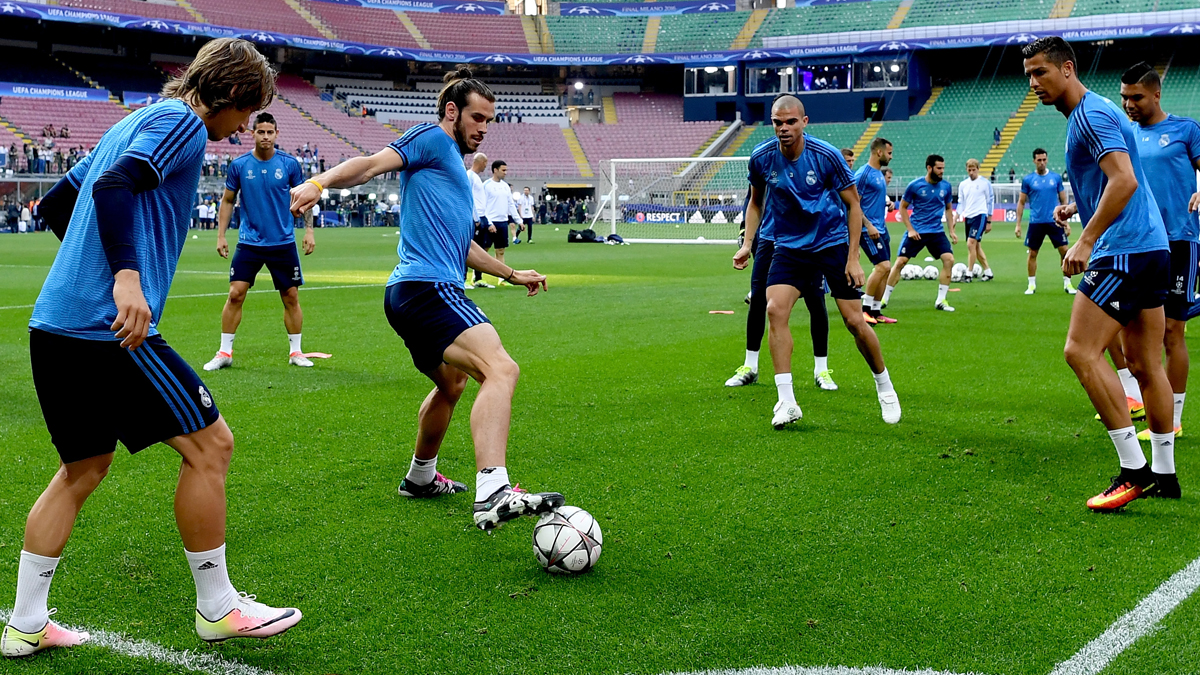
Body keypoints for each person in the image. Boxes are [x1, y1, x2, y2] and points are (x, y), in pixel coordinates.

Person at [1, 38, 300, 659]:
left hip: (54, 328)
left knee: (82, 469)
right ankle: (219, 609)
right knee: (212, 445)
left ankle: (25, 623)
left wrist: (89, 266)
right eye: (249, 111)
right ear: (234, 94)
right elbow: (114, 187)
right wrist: (123, 277)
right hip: (106, 331)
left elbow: (60, 201)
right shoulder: (182, 124)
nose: (245, 127)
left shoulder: (133, 120)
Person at [288, 67, 563, 530]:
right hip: (428, 288)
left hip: (408, 293)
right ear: (452, 111)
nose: (483, 128)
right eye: (477, 117)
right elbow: (371, 164)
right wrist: (320, 183)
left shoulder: (452, 164)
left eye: (490, 121)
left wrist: (512, 273)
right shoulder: (431, 139)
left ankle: (419, 477)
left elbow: (465, 245)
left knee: (452, 384)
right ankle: (493, 489)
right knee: (501, 369)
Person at [1022, 37, 1176, 510]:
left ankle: (1134, 469)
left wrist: (1087, 239)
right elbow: (1117, 179)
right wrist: (1079, 208)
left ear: (1067, 69)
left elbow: (1124, 179)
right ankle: (1166, 474)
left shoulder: (1090, 114)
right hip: (1150, 246)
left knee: (1080, 351)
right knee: (1146, 363)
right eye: (1028, 75)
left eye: (1041, 72)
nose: (1034, 83)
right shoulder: (1094, 112)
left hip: (1122, 251)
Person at [732, 94, 900, 428]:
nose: (784, 128)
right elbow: (755, 203)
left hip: (830, 243)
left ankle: (885, 386)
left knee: (854, 321)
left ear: (804, 122)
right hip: (789, 246)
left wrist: (853, 258)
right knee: (774, 310)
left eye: (791, 122)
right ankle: (786, 401)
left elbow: (854, 205)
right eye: (778, 122)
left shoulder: (826, 156)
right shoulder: (761, 157)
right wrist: (747, 243)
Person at [1120, 60, 1200, 440]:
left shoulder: (1186, 130)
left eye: (1136, 96)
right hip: (1140, 242)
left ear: (1156, 94)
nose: (1129, 104)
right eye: (1124, 97)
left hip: (1181, 238)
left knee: (1172, 331)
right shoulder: (1125, 135)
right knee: (1130, 328)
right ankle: (1140, 402)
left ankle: (1174, 420)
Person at [203, 112, 315, 371]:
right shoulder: (239, 165)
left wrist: (309, 231)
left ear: (277, 134)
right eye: (261, 131)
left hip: (283, 242)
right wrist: (221, 235)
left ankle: (296, 351)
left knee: (290, 296)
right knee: (235, 294)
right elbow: (228, 200)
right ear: (252, 133)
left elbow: (304, 198)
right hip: (249, 242)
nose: (265, 136)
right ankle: (224, 352)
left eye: (270, 132)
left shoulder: (289, 164)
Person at [881, 155, 958, 312]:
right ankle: (884, 298)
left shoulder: (946, 186)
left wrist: (951, 230)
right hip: (917, 231)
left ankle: (941, 300)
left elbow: (949, 208)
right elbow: (902, 207)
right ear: (929, 168)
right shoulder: (915, 186)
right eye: (939, 168)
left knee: (949, 260)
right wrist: (910, 229)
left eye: (943, 168)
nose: (942, 171)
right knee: (900, 262)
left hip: (936, 231)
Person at [1015, 148, 1075, 295]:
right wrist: (1018, 224)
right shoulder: (1028, 180)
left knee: (1065, 251)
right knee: (1033, 253)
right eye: (1039, 160)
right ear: (1034, 161)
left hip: (1055, 221)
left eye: (1044, 159)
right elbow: (1021, 202)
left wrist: (1066, 221)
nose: (1042, 162)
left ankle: (1068, 283)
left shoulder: (1055, 178)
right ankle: (1031, 284)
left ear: (1047, 160)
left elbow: (1063, 200)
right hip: (1036, 222)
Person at [856, 137, 897, 324]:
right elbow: (853, 204)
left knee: (886, 271)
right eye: (889, 153)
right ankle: (864, 309)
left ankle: (875, 311)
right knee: (883, 266)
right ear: (879, 152)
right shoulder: (863, 175)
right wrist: (868, 225)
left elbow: (873, 200)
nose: (891, 157)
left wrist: (887, 204)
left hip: (881, 228)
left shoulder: (879, 174)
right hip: (868, 230)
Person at [483, 159, 520, 285]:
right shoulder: (486, 186)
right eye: (503, 170)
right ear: (495, 170)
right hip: (490, 223)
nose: (506, 172)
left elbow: (511, 204)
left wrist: (518, 220)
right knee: (484, 250)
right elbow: (482, 206)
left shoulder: (505, 186)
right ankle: (477, 278)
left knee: (500, 251)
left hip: (502, 222)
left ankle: (502, 278)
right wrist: (488, 222)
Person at [958, 158, 994, 282]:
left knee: (970, 243)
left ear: (978, 169)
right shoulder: (963, 184)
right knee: (976, 246)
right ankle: (988, 272)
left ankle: (969, 274)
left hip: (980, 215)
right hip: (968, 216)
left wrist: (989, 221)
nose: (971, 172)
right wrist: (956, 216)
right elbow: (961, 202)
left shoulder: (985, 183)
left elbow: (990, 201)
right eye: (969, 170)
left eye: (974, 170)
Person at [465, 152, 491, 289]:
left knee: (480, 249)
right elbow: (467, 197)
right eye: (485, 163)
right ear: (480, 162)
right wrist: (475, 217)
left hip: (481, 217)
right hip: (474, 218)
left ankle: (478, 278)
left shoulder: (476, 178)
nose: (486, 166)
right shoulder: (469, 176)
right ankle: (463, 279)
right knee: (467, 248)